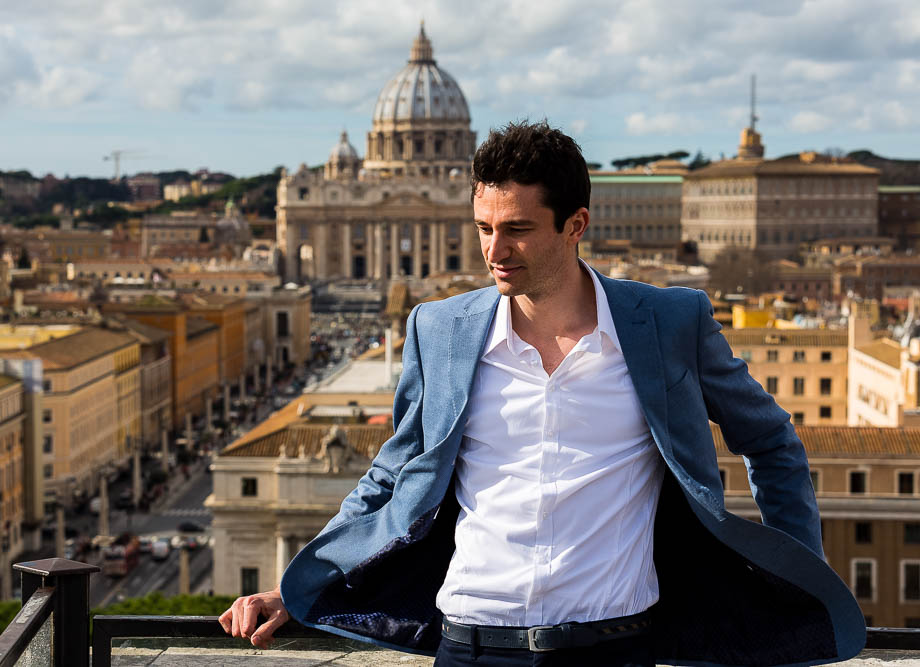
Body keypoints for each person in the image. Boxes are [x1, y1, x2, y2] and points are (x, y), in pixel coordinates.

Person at [221, 121, 865, 665]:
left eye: (518, 230)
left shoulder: (670, 324)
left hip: (618, 643)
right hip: (469, 643)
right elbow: (392, 473)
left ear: (575, 223)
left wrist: (795, 577)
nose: (495, 251)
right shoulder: (439, 329)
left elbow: (773, 443)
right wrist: (307, 578)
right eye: (483, 228)